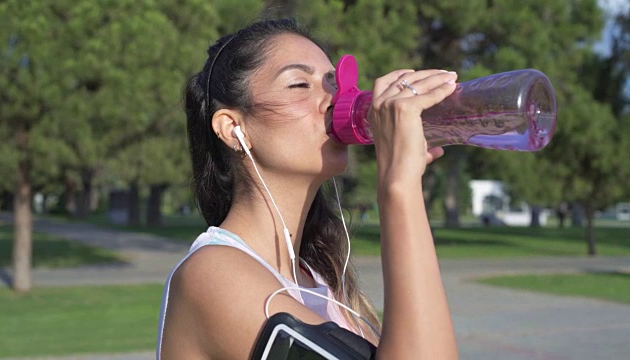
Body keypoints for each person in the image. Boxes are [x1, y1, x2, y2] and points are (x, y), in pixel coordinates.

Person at [156, 18, 459, 359]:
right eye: (300, 84)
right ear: (232, 128)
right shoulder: (213, 274)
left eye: (335, 84)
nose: (334, 99)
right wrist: (398, 188)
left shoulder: (319, 279)